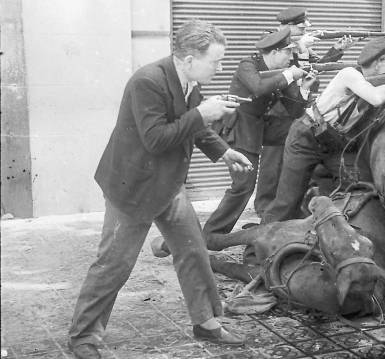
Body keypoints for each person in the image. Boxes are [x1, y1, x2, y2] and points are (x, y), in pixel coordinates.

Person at [67, 20, 252, 359]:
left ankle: (206, 322)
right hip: (133, 188)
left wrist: (224, 152)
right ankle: (83, 337)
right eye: (216, 60)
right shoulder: (147, 82)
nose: (221, 67)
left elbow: (191, 129)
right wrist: (201, 113)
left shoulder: (188, 80)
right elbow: (156, 138)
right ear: (188, 59)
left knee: (193, 251)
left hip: (168, 185)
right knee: (115, 264)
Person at [261, 37, 385, 223]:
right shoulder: (349, 74)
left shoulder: (375, 83)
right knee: (287, 202)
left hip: (333, 142)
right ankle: (256, 249)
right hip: (306, 136)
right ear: (377, 63)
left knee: (359, 184)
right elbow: (376, 98)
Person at [200, 28, 316, 236]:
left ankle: (283, 212)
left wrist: (304, 89)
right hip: (240, 128)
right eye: (288, 53)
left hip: (261, 126)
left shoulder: (283, 72)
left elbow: (295, 110)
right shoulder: (249, 65)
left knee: (300, 131)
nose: (292, 58)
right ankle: (211, 233)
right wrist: (289, 75)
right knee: (243, 185)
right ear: (274, 52)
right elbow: (258, 88)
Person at [253, 6, 355, 219]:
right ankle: (264, 212)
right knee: (273, 165)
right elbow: (272, 73)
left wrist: (337, 50)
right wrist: (299, 45)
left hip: (298, 107)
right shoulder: (271, 41)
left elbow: (313, 68)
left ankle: (285, 211)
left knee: (290, 165)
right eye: (300, 27)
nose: (305, 29)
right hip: (277, 111)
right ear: (286, 26)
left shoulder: (300, 45)